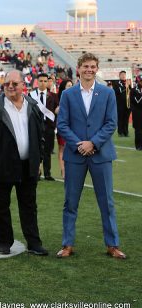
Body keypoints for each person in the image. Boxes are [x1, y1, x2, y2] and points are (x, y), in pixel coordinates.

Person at [56, 53, 126, 259]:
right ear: (78, 68)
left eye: (93, 66)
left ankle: (112, 244)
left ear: (97, 68)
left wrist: (93, 143)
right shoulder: (68, 95)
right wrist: (80, 144)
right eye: (85, 66)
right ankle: (67, 244)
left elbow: (111, 123)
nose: (89, 69)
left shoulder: (107, 93)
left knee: (107, 202)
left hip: (101, 154)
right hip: (75, 155)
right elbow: (62, 124)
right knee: (70, 202)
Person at [0, 70, 48, 256]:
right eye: (7, 83)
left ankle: (34, 242)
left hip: (27, 164)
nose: (10, 86)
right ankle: (3, 242)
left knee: (29, 206)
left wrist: (39, 160)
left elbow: (40, 135)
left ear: (22, 85)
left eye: (14, 83)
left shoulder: (33, 106)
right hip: (2, 165)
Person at [29, 73, 58, 180]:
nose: (43, 83)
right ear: (37, 81)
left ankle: (47, 173)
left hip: (48, 126)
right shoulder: (31, 95)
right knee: (35, 150)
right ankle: (36, 173)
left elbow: (57, 110)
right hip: (35, 126)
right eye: (40, 81)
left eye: (45, 81)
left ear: (48, 82)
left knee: (48, 151)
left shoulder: (53, 96)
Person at [55, 79, 73, 178]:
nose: (70, 87)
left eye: (71, 85)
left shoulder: (76, 96)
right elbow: (55, 110)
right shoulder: (58, 97)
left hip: (73, 126)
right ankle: (63, 170)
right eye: (68, 85)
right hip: (62, 126)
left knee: (72, 147)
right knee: (62, 148)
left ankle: (70, 169)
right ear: (63, 87)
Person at [112, 71, 131, 137]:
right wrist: (125, 87)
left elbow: (130, 92)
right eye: (122, 75)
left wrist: (129, 87)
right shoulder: (116, 83)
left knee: (126, 118)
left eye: (124, 75)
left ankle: (126, 132)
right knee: (120, 118)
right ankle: (120, 132)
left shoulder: (127, 83)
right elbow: (118, 91)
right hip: (120, 104)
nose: (123, 76)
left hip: (127, 104)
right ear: (119, 76)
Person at [130, 77, 142, 150]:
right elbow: (137, 102)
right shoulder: (134, 90)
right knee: (138, 130)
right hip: (138, 113)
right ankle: (138, 145)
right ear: (138, 81)